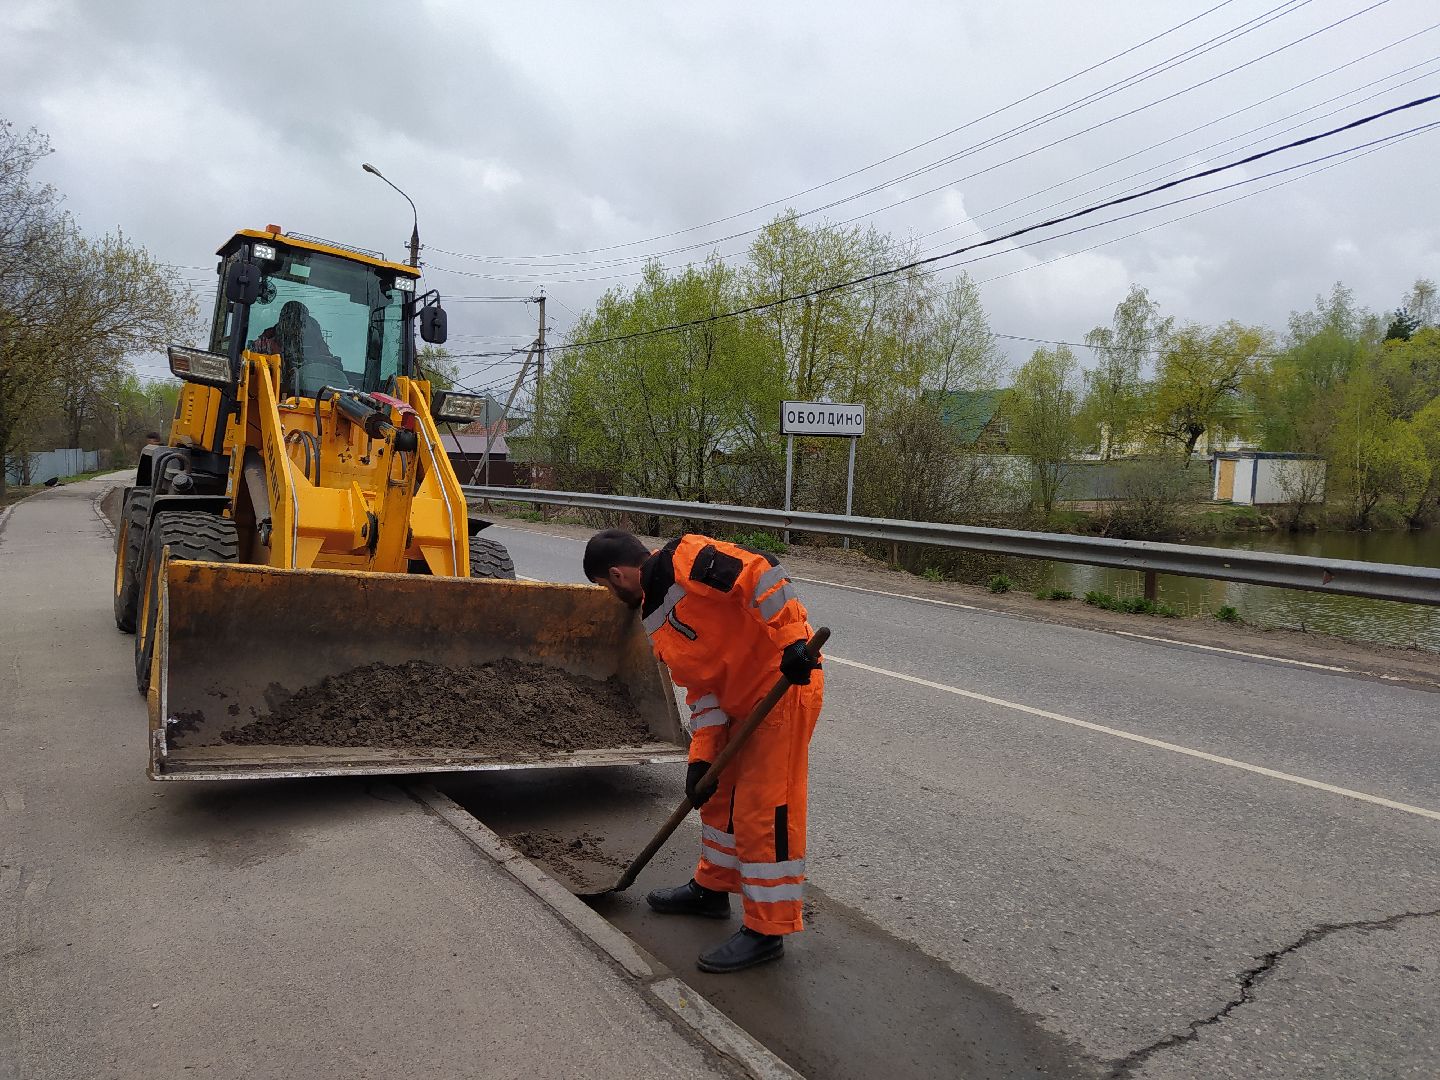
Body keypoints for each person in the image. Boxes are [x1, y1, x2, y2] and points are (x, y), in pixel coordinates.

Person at [584, 529, 824, 973]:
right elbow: (701, 692)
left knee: (763, 808)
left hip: (781, 686)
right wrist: (702, 758)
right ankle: (712, 889)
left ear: (617, 574)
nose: (608, 592)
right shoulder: (654, 614)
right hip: (734, 701)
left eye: (604, 585)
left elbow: (762, 572)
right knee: (718, 800)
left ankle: (768, 930)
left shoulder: (686, 558)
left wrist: (793, 641)